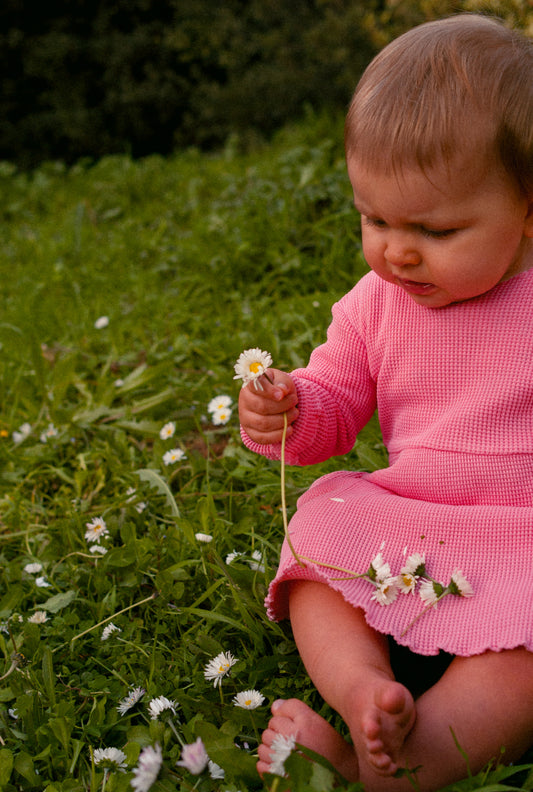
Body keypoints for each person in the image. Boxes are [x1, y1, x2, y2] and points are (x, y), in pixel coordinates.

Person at [237, 13, 533, 791]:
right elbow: (335, 402)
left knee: (518, 664)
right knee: (317, 538)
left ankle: (414, 759)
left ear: (528, 208)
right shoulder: (374, 304)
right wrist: (293, 408)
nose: (396, 251)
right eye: (373, 219)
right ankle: (365, 693)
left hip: (522, 540)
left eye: (434, 228)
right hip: (408, 527)